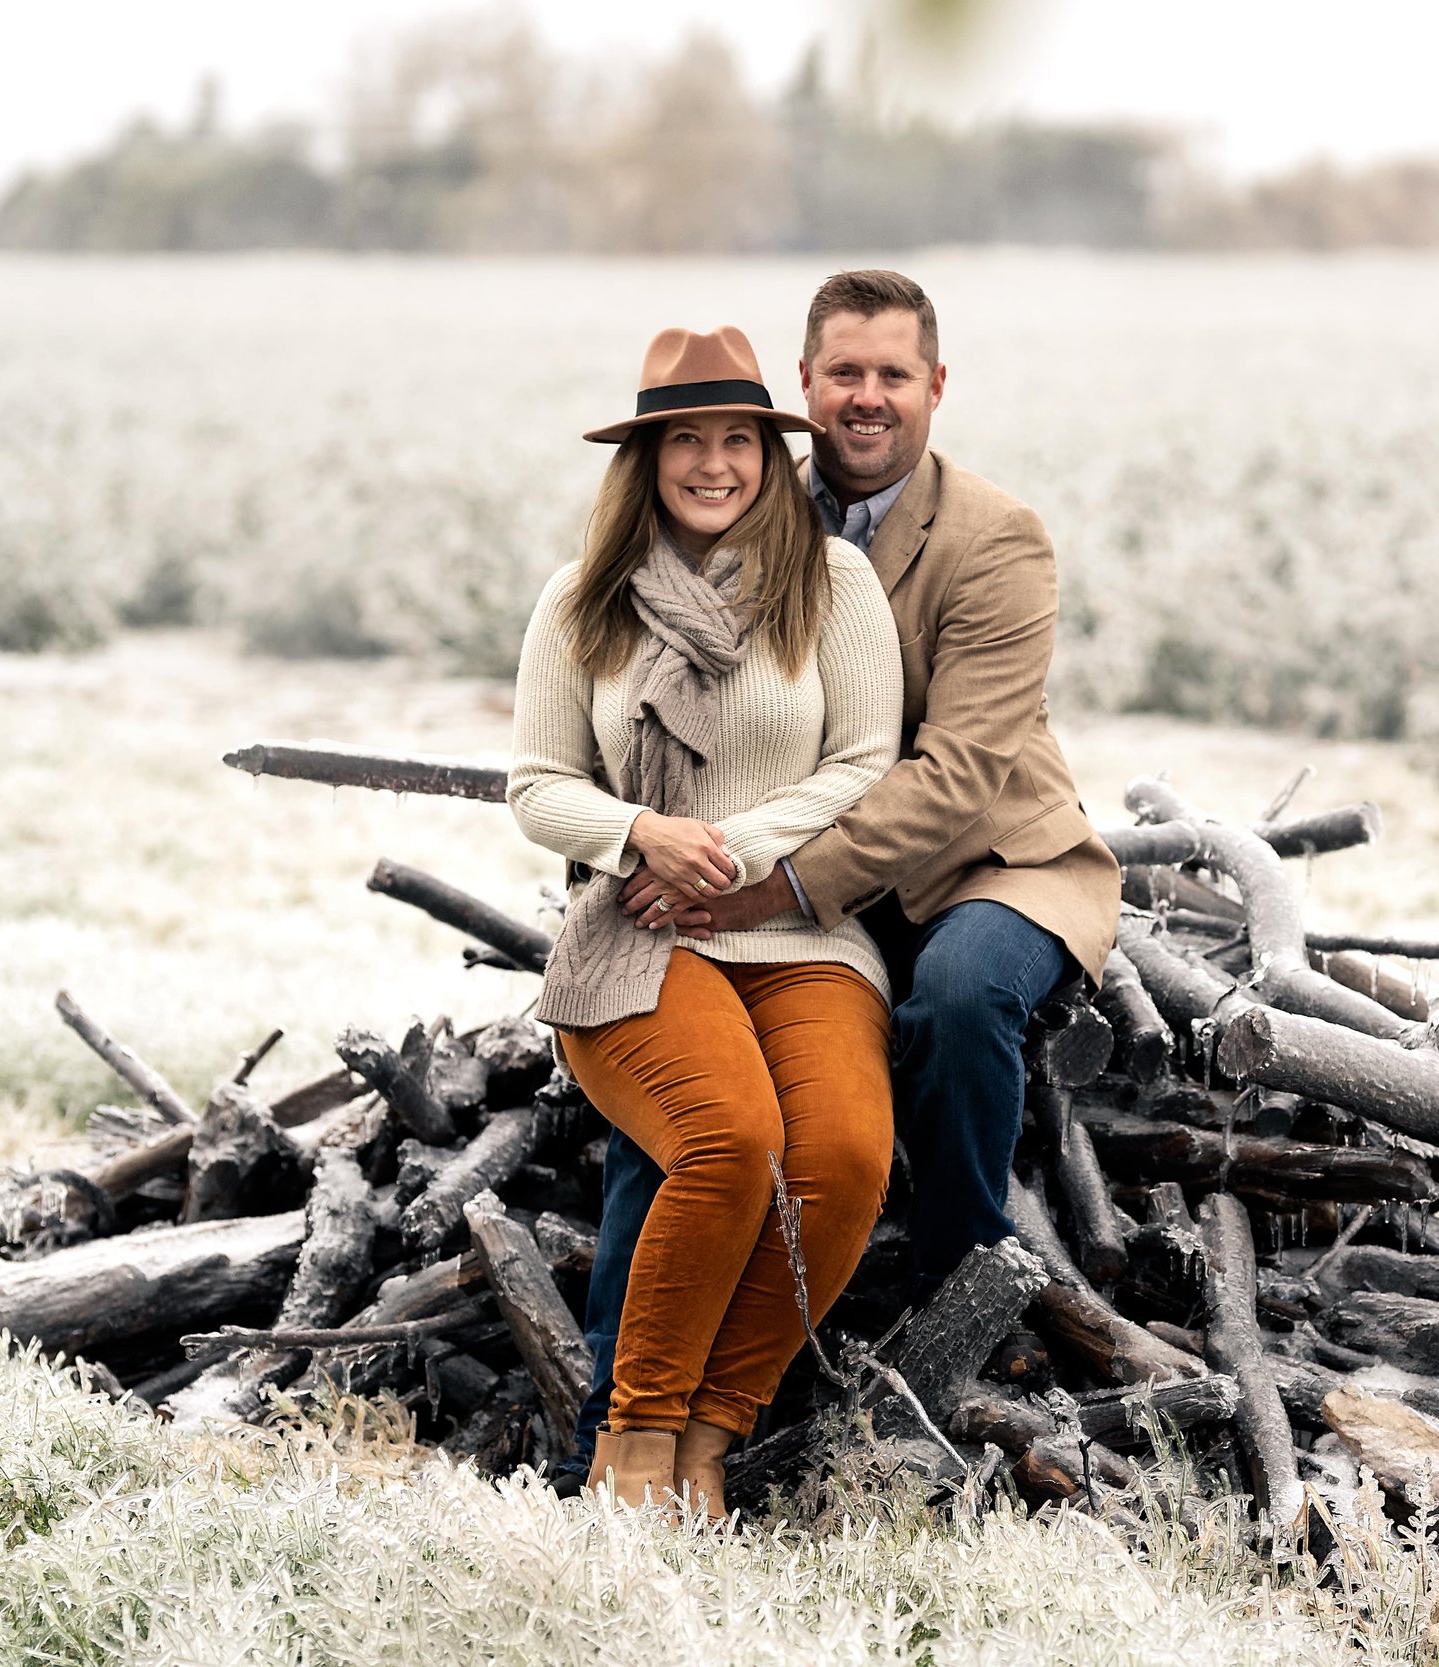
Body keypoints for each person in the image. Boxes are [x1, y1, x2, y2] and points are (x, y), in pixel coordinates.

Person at [567, 270, 1122, 1481]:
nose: (866, 399)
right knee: (668, 1107)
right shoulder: (749, 503)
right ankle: (615, 1414)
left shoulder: (993, 538)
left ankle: (961, 1298)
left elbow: (957, 768)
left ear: (934, 387)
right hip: (789, 868)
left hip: (987, 859)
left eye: (891, 375)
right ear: (805, 387)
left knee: (960, 999)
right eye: (842, 374)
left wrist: (776, 885)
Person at [507, 323, 904, 1518]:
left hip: (795, 928)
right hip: (642, 931)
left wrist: (731, 845)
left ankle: (715, 1425)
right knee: (729, 1141)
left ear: (768, 451)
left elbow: (863, 758)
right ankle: (636, 1439)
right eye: (688, 440)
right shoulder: (583, 602)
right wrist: (641, 833)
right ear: (647, 458)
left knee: (840, 1155)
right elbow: (536, 783)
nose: (716, 464)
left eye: (738, 438)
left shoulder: (829, 580)